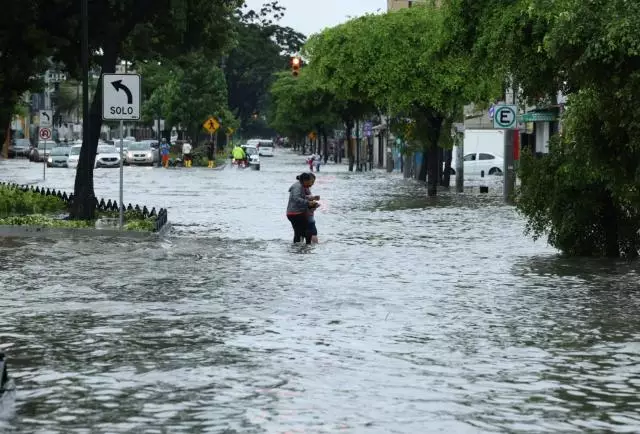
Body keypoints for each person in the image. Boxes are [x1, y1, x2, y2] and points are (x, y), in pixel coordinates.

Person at [286, 172, 318, 244]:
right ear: (305, 180)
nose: (312, 184)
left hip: (297, 212)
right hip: (295, 213)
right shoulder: (298, 186)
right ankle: (306, 248)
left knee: (299, 232)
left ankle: (299, 249)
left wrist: (312, 198)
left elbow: (302, 197)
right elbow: (296, 198)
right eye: (311, 181)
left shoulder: (302, 186)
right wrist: (308, 202)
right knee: (307, 230)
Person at [304, 173, 320, 243]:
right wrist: (313, 203)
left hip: (307, 214)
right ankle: (314, 247)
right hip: (307, 214)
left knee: (301, 233)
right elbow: (304, 200)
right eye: (312, 181)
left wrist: (314, 203)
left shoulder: (305, 188)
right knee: (313, 232)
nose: (312, 183)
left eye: (313, 182)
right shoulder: (303, 188)